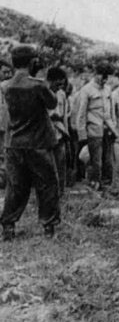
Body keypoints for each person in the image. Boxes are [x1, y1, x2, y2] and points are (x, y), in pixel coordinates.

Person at [0, 45, 60, 239]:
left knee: (15, 186)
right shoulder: (38, 85)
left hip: (14, 143)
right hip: (38, 143)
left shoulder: (5, 85)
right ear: (33, 62)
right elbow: (52, 103)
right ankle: (48, 227)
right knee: (47, 185)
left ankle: (8, 226)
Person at [76, 62, 116, 190]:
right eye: (102, 75)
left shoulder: (108, 89)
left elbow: (110, 112)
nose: (105, 79)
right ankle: (94, 186)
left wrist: (113, 128)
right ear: (96, 74)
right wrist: (82, 136)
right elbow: (81, 113)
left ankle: (106, 186)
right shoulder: (86, 90)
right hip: (93, 131)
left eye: (106, 76)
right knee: (95, 162)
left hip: (107, 131)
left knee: (108, 161)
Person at [47, 67, 69, 196]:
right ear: (50, 80)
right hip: (46, 136)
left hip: (60, 134)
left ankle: (61, 192)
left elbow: (64, 115)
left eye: (62, 84)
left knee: (61, 164)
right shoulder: (42, 92)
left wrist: (66, 133)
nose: (59, 87)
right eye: (58, 84)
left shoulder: (62, 94)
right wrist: (51, 116)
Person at [0, 59, 13, 187]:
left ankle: (3, 179)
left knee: (5, 153)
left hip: (6, 127)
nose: (8, 75)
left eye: (10, 72)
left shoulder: (8, 88)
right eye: (5, 72)